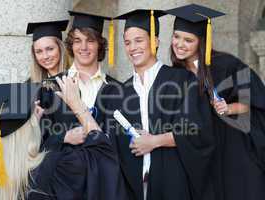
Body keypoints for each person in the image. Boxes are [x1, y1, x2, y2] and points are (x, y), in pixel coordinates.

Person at [113, 9, 215, 200]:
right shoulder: (123, 91)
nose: (132, 47)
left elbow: (199, 132)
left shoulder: (182, 80)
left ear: (155, 41)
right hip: (135, 189)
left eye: (139, 40)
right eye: (127, 42)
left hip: (174, 184)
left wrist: (155, 141)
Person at [166, 3, 265, 200]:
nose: (179, 44)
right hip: (201, 153)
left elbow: (252, 100)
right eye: (176, 37)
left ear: (201, 42)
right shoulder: (173, 75)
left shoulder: (226, 64)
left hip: (233, 148)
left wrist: (227, 108)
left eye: (188, 40)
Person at [0, 82, 123, 200]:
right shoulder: (56, 166)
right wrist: (77, 105)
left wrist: (31, 121)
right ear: (31, 127)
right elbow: (102, 157)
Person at [42, 11, 122, 150]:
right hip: (62, 169)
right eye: (77, 41)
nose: (83, 47)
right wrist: (64, 138)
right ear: (71, 45)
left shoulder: (117, 89)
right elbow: (39, 142)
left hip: (102, 170)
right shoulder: (51, 86)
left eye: (90, 40)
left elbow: (120, 144)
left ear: (100, 45)